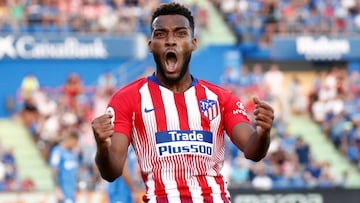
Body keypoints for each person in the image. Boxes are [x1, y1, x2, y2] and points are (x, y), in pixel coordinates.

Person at [92, 2, 274, 202]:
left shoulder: (221, 98)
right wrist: (102, 145)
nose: (170, 41)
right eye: (161, 34)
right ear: (151, 45)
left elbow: (252, 150)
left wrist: (263, 133)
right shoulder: (127, 98)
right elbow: (112, 171)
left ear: (193, 43)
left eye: (180, 33)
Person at [49, 130, 79, 203]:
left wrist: (76, 190)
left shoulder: (73, 154)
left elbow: (74, 174)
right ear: (70, 140)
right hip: (63, 192)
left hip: (72, 192)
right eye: (75, 143)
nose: (75, 145)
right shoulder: (57, 151)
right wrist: (58, 189)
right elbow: (54, 171)